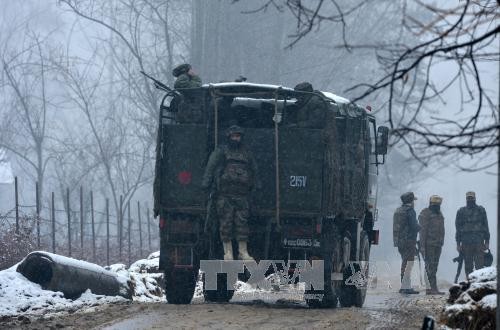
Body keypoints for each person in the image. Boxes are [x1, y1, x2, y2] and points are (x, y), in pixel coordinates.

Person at [201, 125, 258, 261]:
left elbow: (254, 170)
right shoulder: (221, 151)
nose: (236, 138)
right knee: (225, 224)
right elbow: (211, 166)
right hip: (225, 195)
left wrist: (256, 185)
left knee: (242, 224)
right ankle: (228, 253)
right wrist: (206, 183)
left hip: (242, 195)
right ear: (229, 137)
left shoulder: (246, 153)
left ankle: (242, 252)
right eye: (233, 136)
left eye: (238, 136)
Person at [455, 191, 490, 277]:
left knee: (480, 266)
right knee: (468, 267)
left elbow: (485, 225)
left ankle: (479, 286)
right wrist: (458, 244)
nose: (470, 199)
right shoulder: (461, 211)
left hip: (479, 242)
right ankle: (469, 286)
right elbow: (458, 228)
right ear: (466, 199)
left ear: (474, 198)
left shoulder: (481, 210)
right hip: (466, 243)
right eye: (468, 198)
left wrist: (487, 241)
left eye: (471, 198)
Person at [393, 192, 420, 294]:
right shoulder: (410, 211)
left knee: (404, 261)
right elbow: (414, 226)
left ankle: (404, 286)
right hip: (409, 241)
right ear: (411, 201)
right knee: (409, 263)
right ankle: (406, 287)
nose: (414, 203)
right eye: (414, 201)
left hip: (400, 241)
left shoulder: (398, 210)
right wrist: (420, 227)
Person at [418, 195, 445, 295]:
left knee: (434, 266)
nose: (437, 206)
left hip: (437, 244)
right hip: (428, 244)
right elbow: (422, 231)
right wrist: (422, 246)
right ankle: (430, 289)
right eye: (435, 204)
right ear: (431, 204)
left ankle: (433, 288)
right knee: (429, 267)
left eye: (438, 204)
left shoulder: (439, 214)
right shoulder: (425, 213)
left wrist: (442, 242)